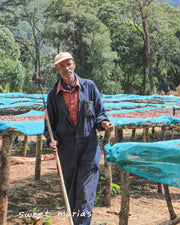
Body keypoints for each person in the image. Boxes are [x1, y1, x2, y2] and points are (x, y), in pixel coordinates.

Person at [44, 52, 114, 225]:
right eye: (62, 66)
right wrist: (52, 141)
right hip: (66, 150)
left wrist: (104, 122)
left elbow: (99, 113)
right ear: (57, 69)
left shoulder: (89, 86)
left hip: (88, 147)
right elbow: (49, 126)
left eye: (68, 64)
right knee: (72, 194)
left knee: (85, 193)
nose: (66, 68)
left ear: (74, 64)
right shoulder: (53, 95)